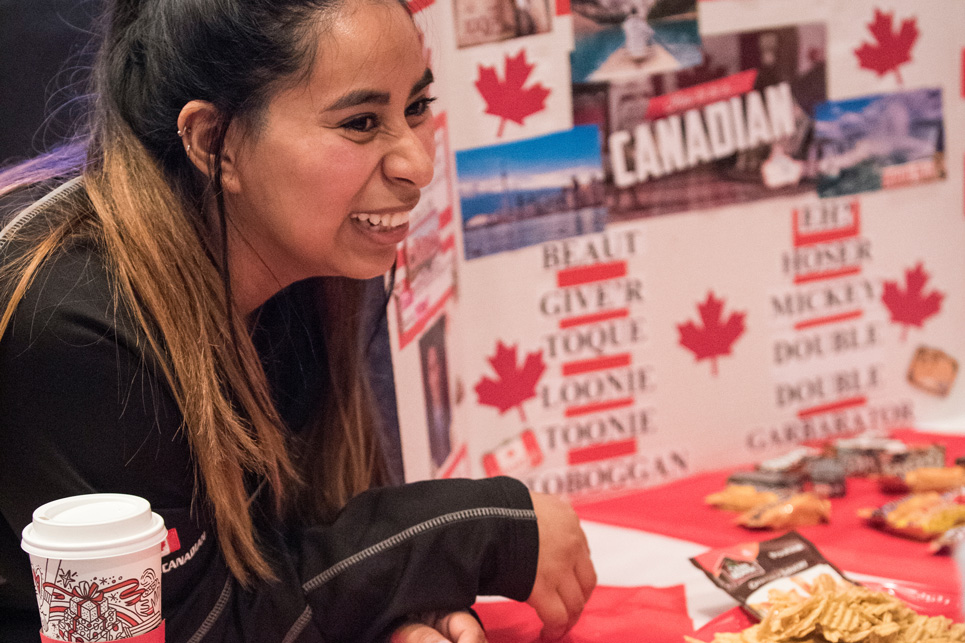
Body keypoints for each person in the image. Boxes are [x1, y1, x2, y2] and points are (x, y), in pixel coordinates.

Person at [0, 1, 596, 642]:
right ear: (213, 143)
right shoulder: (68, 324)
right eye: (362, 122)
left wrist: (406, 608)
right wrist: (472, 531)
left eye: (416, 108)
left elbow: (287, 549)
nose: (417, 165)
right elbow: (176, 629)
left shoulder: (292, 249)